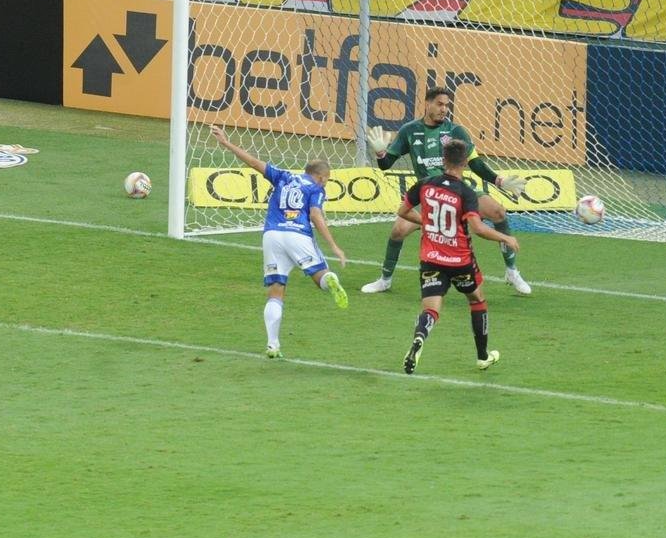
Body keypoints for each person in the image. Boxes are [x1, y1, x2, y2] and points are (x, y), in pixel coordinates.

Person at [361, 86, 532, 295]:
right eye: (440, 104)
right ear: (427, 103)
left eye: (447, 105)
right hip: (430, 196)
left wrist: (499, 181)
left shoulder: (456, 131)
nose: (444, 109)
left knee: (498, 212)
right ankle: (384, 280)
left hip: (458, 190)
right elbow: (386, 164)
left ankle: (512, 271)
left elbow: (475, 163)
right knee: (397, 231)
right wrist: (380, 152)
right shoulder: (409, 130)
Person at [211, 125, 349, 358]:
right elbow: (315, 215)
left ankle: (273, 344)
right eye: (326, 180)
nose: (325, 183)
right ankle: (330, 279)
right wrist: (334, 245)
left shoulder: (283, 176)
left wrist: (226, 143)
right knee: (320, 278)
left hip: (272, 236)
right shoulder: (315, 188)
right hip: (298, 236)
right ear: (320, 177)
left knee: (276, 291)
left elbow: (254, 162)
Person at [397, 139, 519, 374]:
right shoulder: (466, 193)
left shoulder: (424, 184)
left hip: (431, 257)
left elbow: (402, 211)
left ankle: (420, 337)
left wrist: (427, 222)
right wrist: (506, 238)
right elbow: (478, 229)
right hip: (460, 261)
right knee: (477, 300)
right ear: (465, 163)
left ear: (443, 159)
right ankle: (483, 356)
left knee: (431, 309)